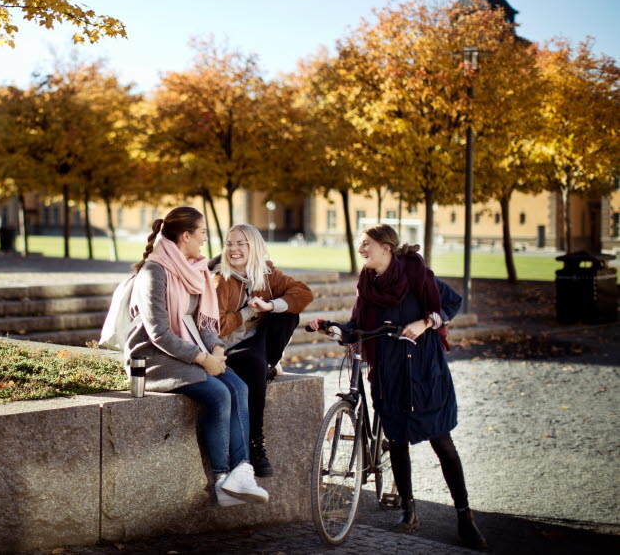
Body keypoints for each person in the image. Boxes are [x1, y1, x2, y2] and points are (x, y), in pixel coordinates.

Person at [308, 224, 488, 551]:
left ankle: (465, 517)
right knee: (398, 440)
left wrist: (425, 322)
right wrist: (331, 328)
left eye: (366, 244)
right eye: (361, 245)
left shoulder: (416, 274)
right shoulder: (367, 285)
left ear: (386, 247)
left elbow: (451, 302)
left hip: (424, 372)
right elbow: (358, 327)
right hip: (390, 373)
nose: (361, 249)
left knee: (442, 442)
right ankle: (409, 509)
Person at [123, 207, 269, 506]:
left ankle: (240, 473)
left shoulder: (197, 268)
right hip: (155, 357)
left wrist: (216, 349)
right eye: (202, 232)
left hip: (193, 350)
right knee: (218, 395)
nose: (205, 239)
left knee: (240, 387)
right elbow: (159, 333)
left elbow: (204, 322)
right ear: (186, 235)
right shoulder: (155, 271)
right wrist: (203, 360)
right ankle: (220, 479)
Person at [212, 223, 314, 477]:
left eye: (240, 243)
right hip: (228, 347)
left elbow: (303, 293)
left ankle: (266, 364)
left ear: (254, 246)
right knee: (255, 364)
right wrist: (248, 311)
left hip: (255, 343)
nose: (233, 249)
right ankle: (256, 444)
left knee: (288, 315)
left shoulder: (265, 272)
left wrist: (270, 306)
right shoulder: (220, 279)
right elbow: (217, 327)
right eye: (229, 243)